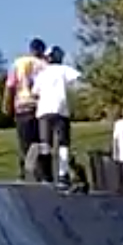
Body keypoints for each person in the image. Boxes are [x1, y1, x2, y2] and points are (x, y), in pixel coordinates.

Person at [32, 45, 82, 188]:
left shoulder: (42, 73)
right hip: (61, 111)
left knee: (45, 144)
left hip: (44, 111)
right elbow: (78, 77)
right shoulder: (64, 69)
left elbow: (35, 92)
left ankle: (46, 177)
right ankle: (63, 175)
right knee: (63, 144)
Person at [2, 38, 49, 181]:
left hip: (23, 107)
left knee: (26, 146)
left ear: (30, 49)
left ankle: (26, 176)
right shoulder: (46, 65)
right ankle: (45, 176)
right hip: (42, 107)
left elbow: (10, 86)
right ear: (42, 51)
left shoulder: (18, 63)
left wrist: (7, 106)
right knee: (43, 145)